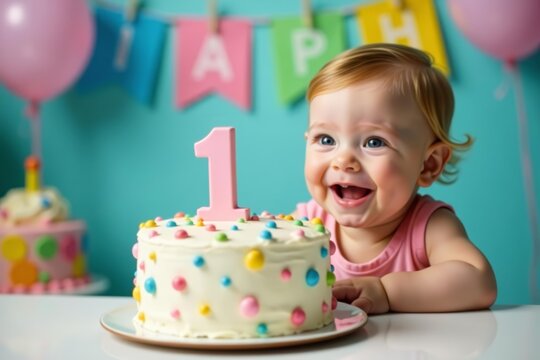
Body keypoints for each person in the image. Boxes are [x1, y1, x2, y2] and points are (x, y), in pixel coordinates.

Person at [295, 43, 497, 314]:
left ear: (428, 164)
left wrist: (387, 291)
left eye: (374, 142)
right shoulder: (308, 223)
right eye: (326, 139)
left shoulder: (427, 227)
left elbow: (479, 280)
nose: (343, 160)